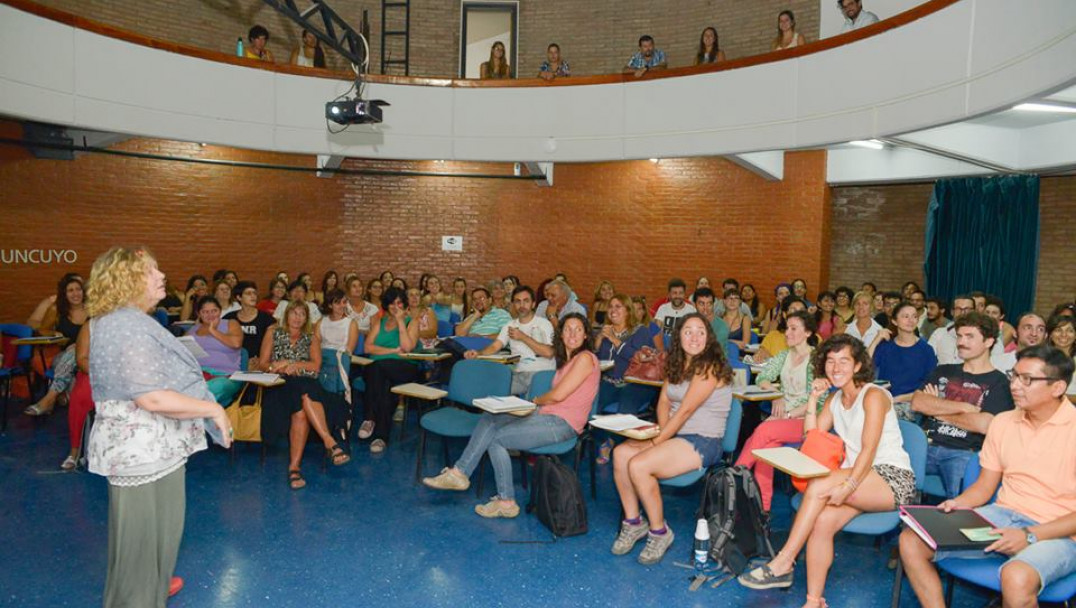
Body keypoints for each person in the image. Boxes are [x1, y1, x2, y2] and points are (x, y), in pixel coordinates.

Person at [83, 246, 232, 607]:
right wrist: (214, 410)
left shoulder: (121, 319)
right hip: (142, 451)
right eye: (152, 270)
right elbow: (150, 397)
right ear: (128, 279)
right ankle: (138, 596)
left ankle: (152, 586)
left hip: (155, 449)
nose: (161, 275)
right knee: (141, 542)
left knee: (158, 536)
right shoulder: (124, 324)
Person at [739, 335, 915, 607]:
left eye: (844, 361)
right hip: (858, 477)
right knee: (822, 523)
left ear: (858, 366)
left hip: (890, 478)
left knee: (819, 485)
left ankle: (785, 561)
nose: (836, 367)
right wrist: (813, 399)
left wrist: (849, 486)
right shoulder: (834, 399)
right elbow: (812, 436)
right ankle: (814, 600)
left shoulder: (874, 395)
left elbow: (869, 448)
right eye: (831, 361)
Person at [899, 345, 1076, 608]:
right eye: (1013, 376)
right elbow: (983, 488)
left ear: (1058, 388)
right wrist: (958, 503)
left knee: (1015, 577)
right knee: (911, 540)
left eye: (1027, 379)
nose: (1015, 385)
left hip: (1060, 532)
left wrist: (1030, 535)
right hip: (1003, 515)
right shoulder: (1003, 422)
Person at [423, 312, 599, 518]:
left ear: (586, 335)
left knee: (497, 440)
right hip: (545, 416)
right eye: (568, 329)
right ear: (560, 334)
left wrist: (534, 402)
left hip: (562, 425)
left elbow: (558, 395)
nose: (572, 334)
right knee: (490, 418)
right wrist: (534, 407)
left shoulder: (586, 358)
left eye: (578, 329)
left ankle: (506, 501)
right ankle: (459, 474)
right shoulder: (567, 361)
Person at [611, 314, 733, 565]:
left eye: (701, 331)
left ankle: (659, 532)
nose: (694, 337)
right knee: (621, 454)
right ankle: (633, 522)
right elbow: (664, 400)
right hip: (675, 434)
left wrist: (660, 440)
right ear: (678, 336)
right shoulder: (678, 364)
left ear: (709, 337)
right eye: (688, 331)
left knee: (639, 464)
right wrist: (664, 432)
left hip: (703, 440)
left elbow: (686, 410)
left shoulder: (709, 367)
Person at [911, 312, 1012, 498]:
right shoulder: (943, 370)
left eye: (969, 336)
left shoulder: (1000, 382)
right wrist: (966, 408)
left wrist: (938, 411)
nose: (961, 342)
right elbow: (918, 403)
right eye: (959, 336)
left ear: (989, 342)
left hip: (963, 452)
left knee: (959, 502)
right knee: (895, 474)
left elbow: (984, 424)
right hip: (926, 445)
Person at [258, 300, 350, 488]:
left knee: (302, 405)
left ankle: (294, 468)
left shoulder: (311, 337)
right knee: (303, 399)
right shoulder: (273, 332)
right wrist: (274, 366)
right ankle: (329, 442)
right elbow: (262, 363)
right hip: (280, 385)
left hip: (307, 382)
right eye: (294, 313)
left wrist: (294, 365)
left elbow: (315, 366)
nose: (297, 317)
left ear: (306, 318)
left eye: (302, 314)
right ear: (286, 315)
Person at [735, 311, 820, 512]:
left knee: (763, 431)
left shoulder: (817, 358)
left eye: (793, 329)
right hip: (783, 418)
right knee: (766, 449)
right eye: (786, 328)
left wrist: (788, 414)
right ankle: (763, 509)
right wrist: (777, 394)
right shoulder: (784, 356)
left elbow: (816, 400)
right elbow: (761, 378)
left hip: (806, 419)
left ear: (807, 332)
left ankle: (735, 480)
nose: (787, 333)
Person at [359, 287, 419, 453]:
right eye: (392, 303)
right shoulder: (380, 322)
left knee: (376, 368)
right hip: (378, 370)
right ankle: (381, 437)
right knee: (384, 385)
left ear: (404, 305)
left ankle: (370, 417)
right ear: (387, 305)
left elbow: (407, 347)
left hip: (404, 367)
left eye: (399, 303)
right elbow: (367, 347)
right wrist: (392, 351)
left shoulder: (411, 322)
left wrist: (400, 322)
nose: (395, 306)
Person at [464, 286, 554, 396]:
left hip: (541, 375)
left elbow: (549, 353)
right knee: (490, 391)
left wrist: (523, 337)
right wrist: (478, 353)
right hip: (519, 375)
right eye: (517, 301)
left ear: (533, 304)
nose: (522, 305)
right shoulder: (510, 325)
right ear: (513, 304)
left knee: (530, 406)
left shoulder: (543, 323)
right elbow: (495, 346)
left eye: (526, 301)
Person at [24, 275, 88, 416]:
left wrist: (79, 346)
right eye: (70, 290)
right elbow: (42, 329)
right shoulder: (56, 310)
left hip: (88, 357)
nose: (75, 293)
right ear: (64, 294)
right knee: (71, 354)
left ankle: (48, 399)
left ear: (84, 292)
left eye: (78, 289)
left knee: (75, 350)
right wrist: (54, 333)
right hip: (64, 357)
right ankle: (61, 397)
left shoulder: (94, 310)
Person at [870, 301, 937, 414]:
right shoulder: (885, 346)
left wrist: (898, 399)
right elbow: (863, 368)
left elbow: (929, 387)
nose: (911, 320)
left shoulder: (926, 350)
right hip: (883, 400)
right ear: (894, 321)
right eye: (906, 316)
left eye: (914, 316)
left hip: (912, 404)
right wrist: (876, 340)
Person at [186, 296, 243, 404]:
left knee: (216, 386)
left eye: (214, 311)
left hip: (226, 376)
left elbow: (236, 344)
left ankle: (191, 408)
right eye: (205, 312)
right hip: (199, 374)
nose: (210, 315)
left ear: (220, 311)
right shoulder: (193, 329)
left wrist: (213, 331)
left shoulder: (231, 323)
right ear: (199, 314)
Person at [929, 294, 1004, 365]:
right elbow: (928, 357)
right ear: (952, 312)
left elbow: (997, 364)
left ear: (974, 311)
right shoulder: (940, 333)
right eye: (958, 309)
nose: (963, 313)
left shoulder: (988, 336)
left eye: (967, 309)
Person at [224, 281, 275, 369]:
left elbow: (273, 346)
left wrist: (262, 360)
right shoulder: (229, 318)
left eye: (254, 293)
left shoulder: (267, 319)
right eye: (248, 293)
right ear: (239, 297)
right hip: (234, 363)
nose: (253, 296)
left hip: (259, 363)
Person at [756, 297, 808, 362]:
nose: (798, 314)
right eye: (793, 310)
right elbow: (760, 354)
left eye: (802, 310)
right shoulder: (773, 336)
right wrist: (760, 355)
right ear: (784, 314)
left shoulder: (815, 338)